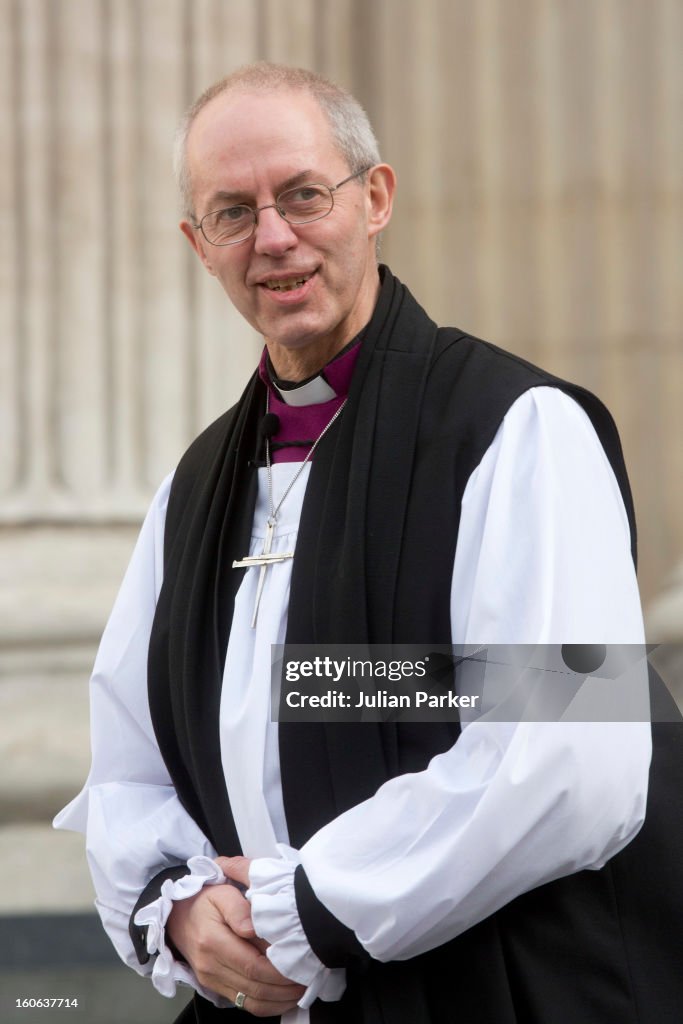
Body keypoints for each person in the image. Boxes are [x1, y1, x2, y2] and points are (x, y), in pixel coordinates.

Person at [55, 63, 682, 1024]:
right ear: (198, 244)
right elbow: (130, 768)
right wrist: (178, 909)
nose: (273, 238)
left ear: (374, 197)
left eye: (303, 195)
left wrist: (304, 906)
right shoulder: (195, 489)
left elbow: (571, 755)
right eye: (231, 212)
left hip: (487, 989)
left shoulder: (517, 429)